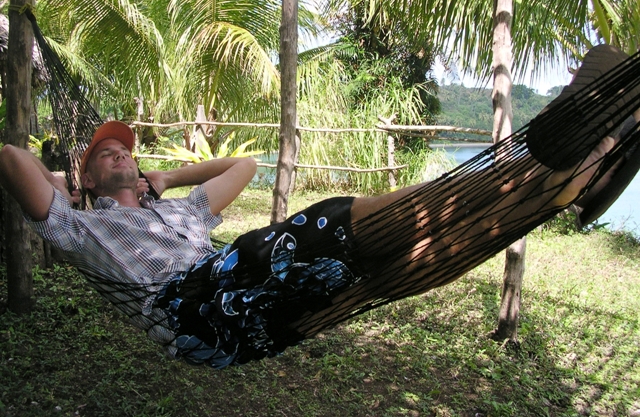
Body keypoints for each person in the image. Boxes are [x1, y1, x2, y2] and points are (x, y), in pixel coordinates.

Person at [0, 48, 638, 368]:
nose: (117, 153)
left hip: (237, 302)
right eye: (103, 152)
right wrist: (73, 183)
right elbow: (10, 156)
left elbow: (242, 167)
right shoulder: (79, 227)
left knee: (388, 270)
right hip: (192, 312)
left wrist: (162, 174)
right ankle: (546, 153)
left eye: (125, 150)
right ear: (81, 175)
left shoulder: (184, 210)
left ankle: (559, 189)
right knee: (326, 220)